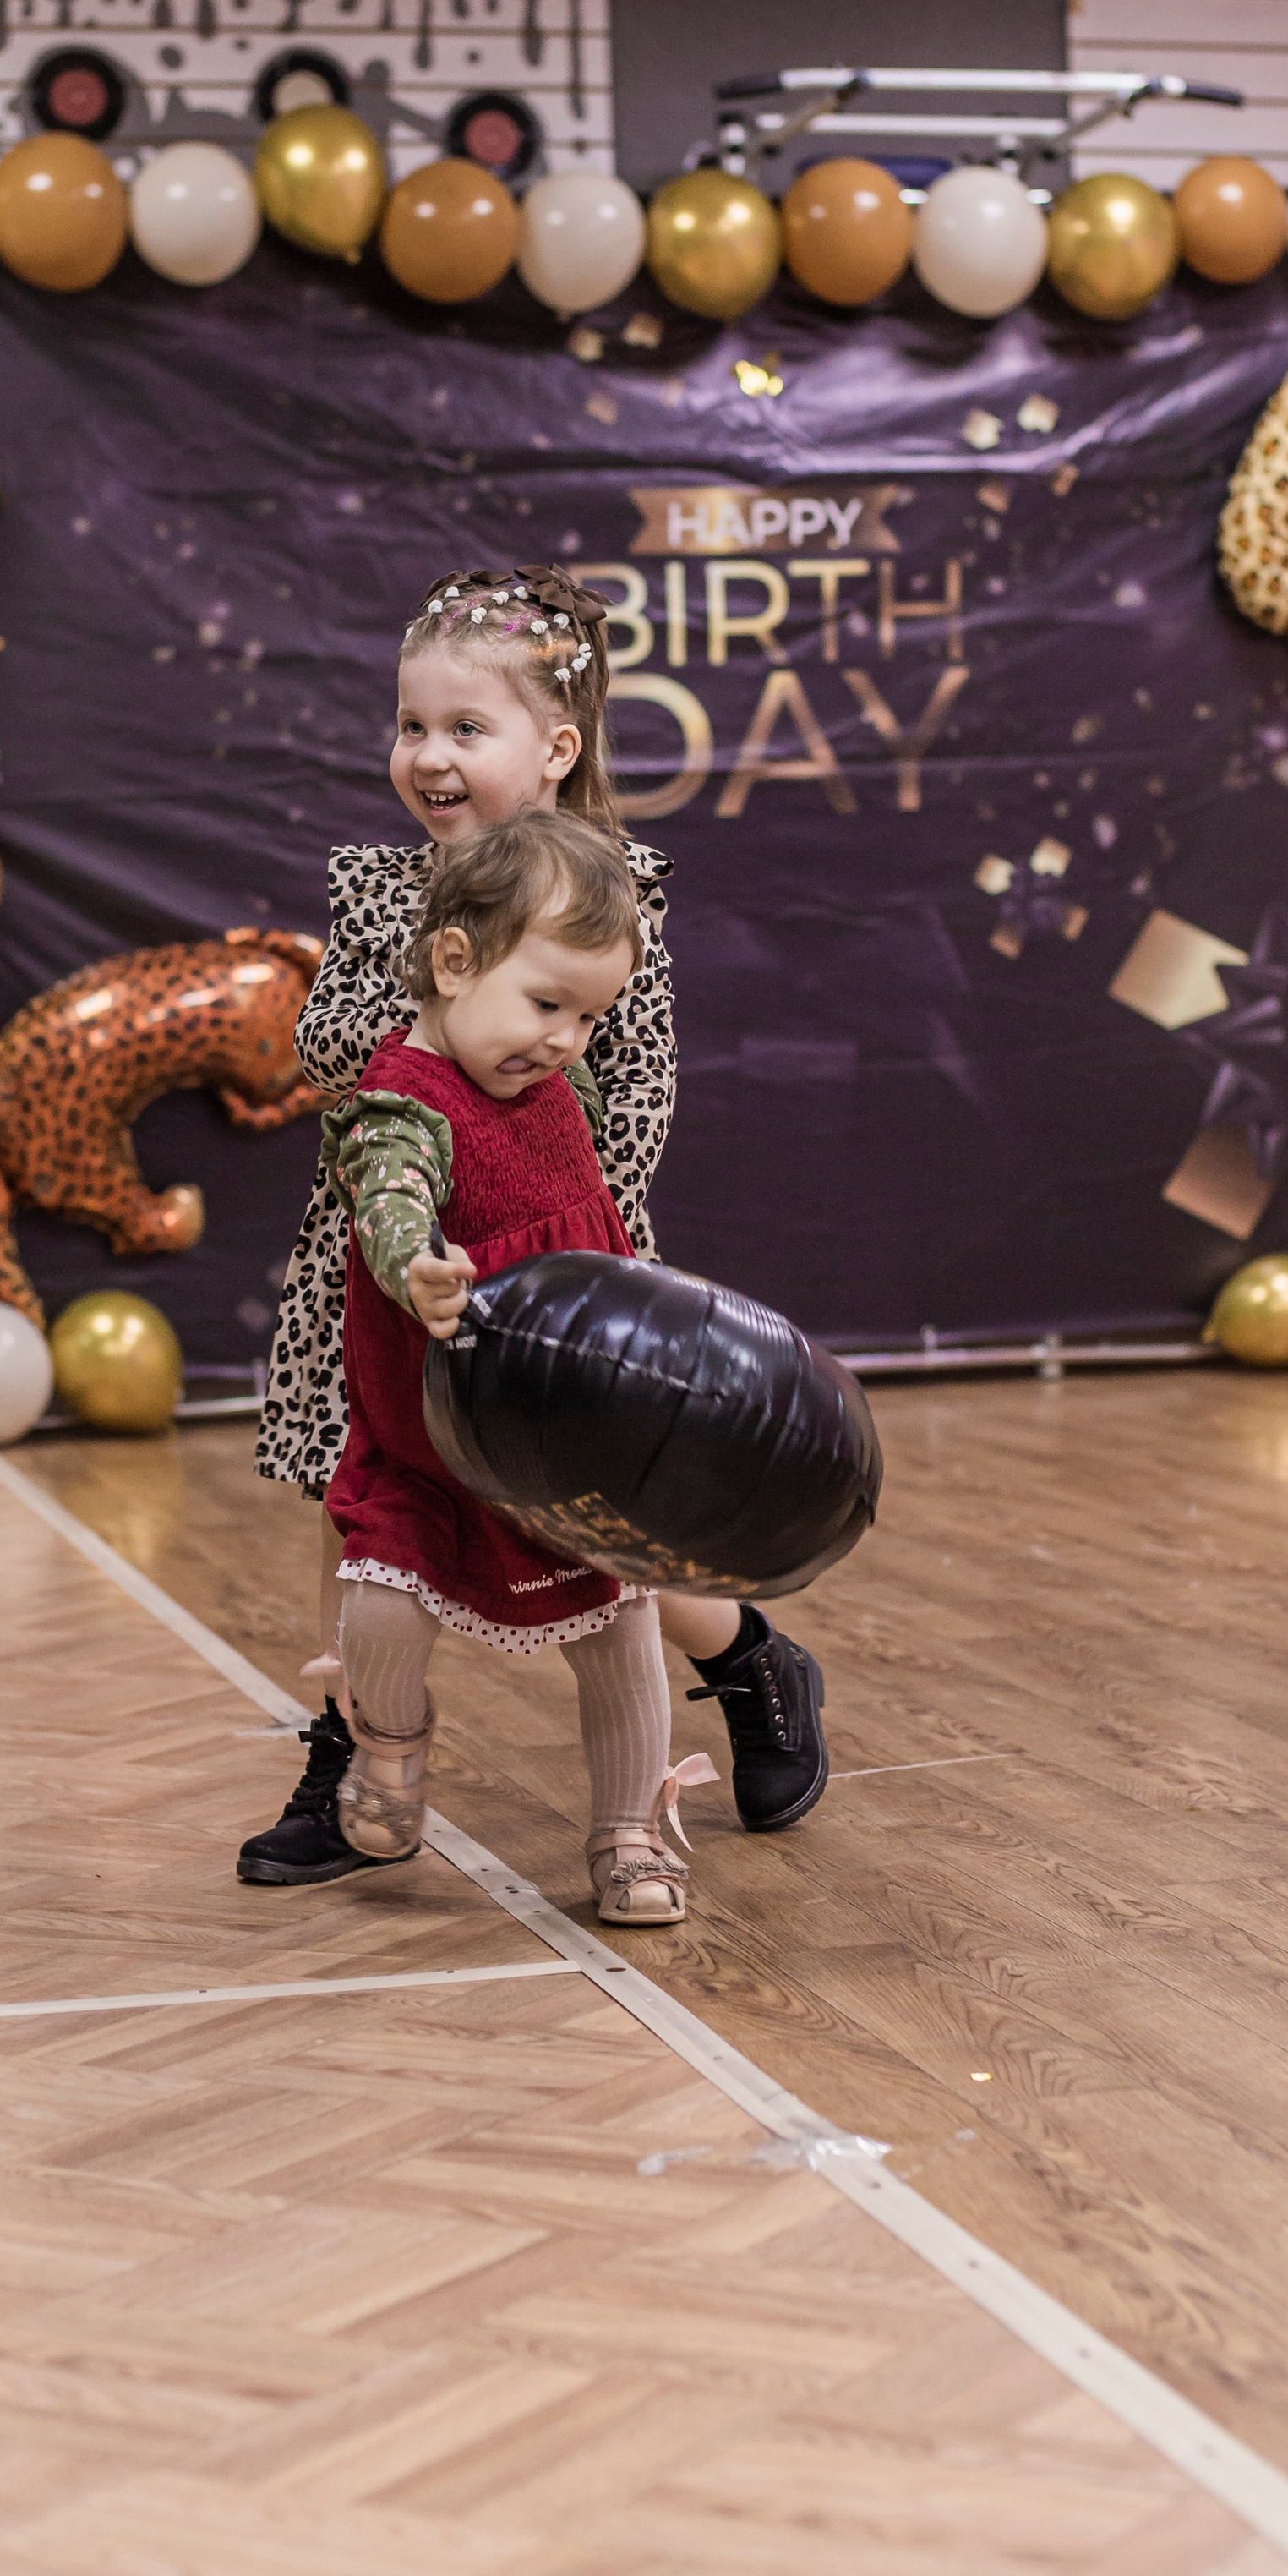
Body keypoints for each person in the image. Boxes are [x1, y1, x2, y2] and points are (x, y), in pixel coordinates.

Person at [237, 561, 827, 1888]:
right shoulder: (387, 892)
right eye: (411, 727)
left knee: (589, 1527)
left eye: (466, 730)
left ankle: (746, 1661)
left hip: (559, 1265)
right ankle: (350, 1759)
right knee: (364, 1512)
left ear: (556, 749)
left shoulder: (614, 891)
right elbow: (331, 1047)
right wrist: (438, 985)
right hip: (392, 1255)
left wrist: (559, 1274)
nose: (427, 756)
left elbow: (635, 1094)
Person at [303, 807, 714, 1925]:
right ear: (453, 961)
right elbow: (389, 1192)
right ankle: (388, 1749)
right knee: (381, 1608)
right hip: (436, 1444)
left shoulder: (548, 1088)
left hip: (567, 1441)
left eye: (592, 1016)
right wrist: (416, 1259)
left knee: (623, 1630)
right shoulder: (404, 1102)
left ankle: (628, 1826)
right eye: (547, 1004)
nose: (567, 1040)